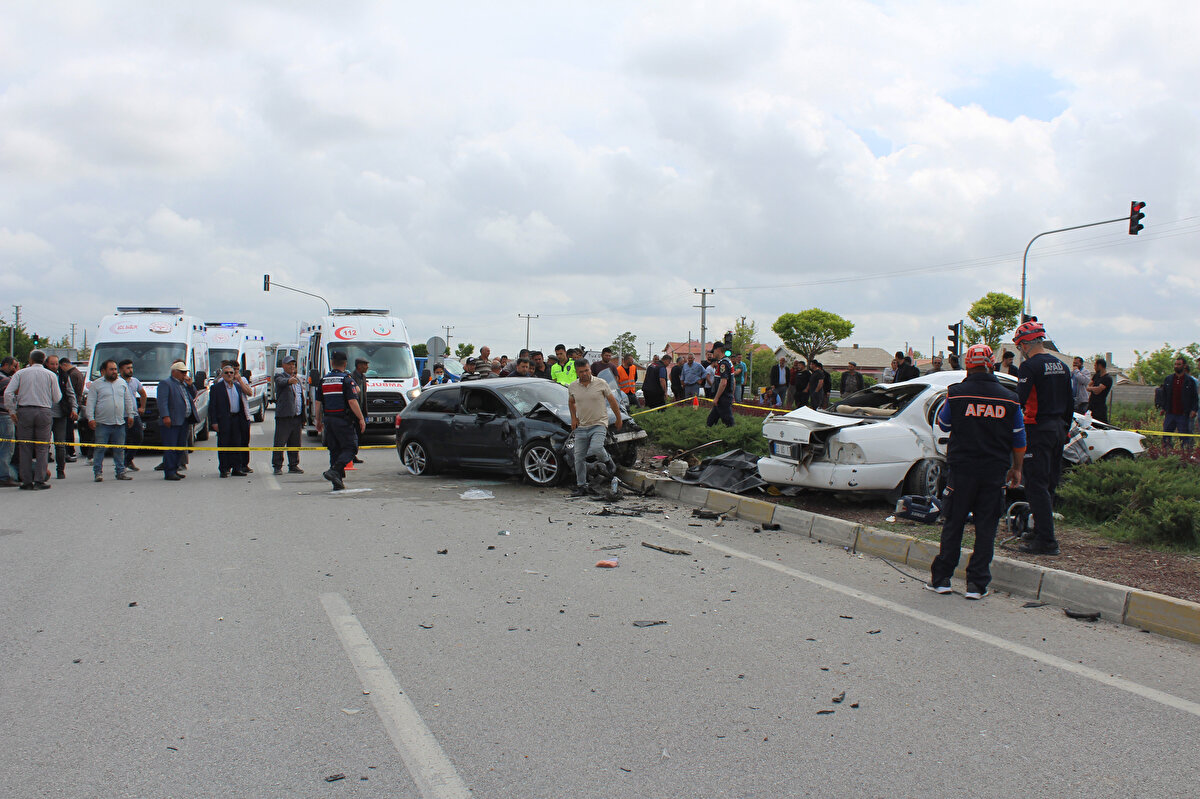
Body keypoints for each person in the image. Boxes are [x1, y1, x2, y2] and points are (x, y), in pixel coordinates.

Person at [926, 344, 1026, 600]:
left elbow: (944, 423)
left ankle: (942, 580)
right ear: (992, 364)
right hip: (994, 472)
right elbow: (1019, 438)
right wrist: (1017, 468)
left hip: (962, 470)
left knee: (954, 523)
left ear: (968, 366)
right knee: (986, 527)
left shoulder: (956, 394)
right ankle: (977, 585)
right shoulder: (1010, 398)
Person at [1013, 320, 1073, 555]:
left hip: (1037, 428)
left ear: (1027, 344)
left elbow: (1020, 399)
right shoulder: (1062, 366)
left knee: (1036, 485)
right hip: (1059, 428)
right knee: (1049, 484)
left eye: (1020, 347)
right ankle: (1040, 529)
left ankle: (1047, 541)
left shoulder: (1030, 367)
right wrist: (1065, 428)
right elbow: (1070, 402)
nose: (1020, 352)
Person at [3, 350, 61, 490]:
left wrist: (11, 410)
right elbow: (57, 397)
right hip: (44, 411)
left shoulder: (21, 373)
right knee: (42, 447)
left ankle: (26, 481)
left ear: (30, 360)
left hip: (25, 411)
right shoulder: (51, 375)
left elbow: (8, 393)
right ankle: (39, 480)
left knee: (25, 446)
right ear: (44, 360)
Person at [567, 359, 622, 497]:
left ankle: (608, 460)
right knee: (578, 457)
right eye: (581, 372)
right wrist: (573, 418)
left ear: (590, 369)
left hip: (599, 424)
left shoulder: (601, 383)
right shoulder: (573, 387)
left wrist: (618, 418)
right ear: (577, 372)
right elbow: (571, 402)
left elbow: (612, 401)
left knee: (596, 448)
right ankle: (581, 486)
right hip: (582, 426)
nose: (585, 374)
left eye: (587, 370)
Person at [315, 351, 365, 491]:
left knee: (335, 449)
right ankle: (335, 471)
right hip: (342, 419)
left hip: (328, 420)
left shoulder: (323, 380)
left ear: (332, 362)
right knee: (351, 447)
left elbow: (318, 403)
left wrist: (318, 421)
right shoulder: (346, 380)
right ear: (345, 363)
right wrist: (361, 418)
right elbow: (352, 401)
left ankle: (337, 481)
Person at [86, 359, 136, 482]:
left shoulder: (122, 383)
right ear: (103, 371)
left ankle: (120, 472)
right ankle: (98, 473)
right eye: (111, 369)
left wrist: (131, 415)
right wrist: (90, 418)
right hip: (102, 423)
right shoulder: (96, 384)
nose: (114, 372)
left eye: (115, 369)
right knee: (100, 449)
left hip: (119, 422)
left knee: (119, 449)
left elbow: (128, 400)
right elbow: (90, 402)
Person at [210, 362, 252, 478]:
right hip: (224, 420)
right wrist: (214, 422)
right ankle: (224, 469)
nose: (229, 375)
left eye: (231, 373)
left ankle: (237, 468)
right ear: (222, 374)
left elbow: (247, 395)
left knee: (237, 444)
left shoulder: (238, 386)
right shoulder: (216, 388)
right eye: (227, 373)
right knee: (224, 444)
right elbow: (212, 406)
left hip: (236, 419)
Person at [156, 361, 197, 481]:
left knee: (180, 447)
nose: (184, 374)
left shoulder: (183, 384)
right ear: (174, 372)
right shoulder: (166, 383)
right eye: (182, 372)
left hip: (183, 420)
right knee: (171, 447)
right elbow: (162, 401)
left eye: (185, 372)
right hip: (172, 421)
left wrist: (190, 385)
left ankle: (175, 468)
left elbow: (192, 395)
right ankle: (169, 471)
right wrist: (165, 416)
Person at [44, 355, 77, 480]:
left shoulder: (63, 376)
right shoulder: (44, 375)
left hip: (61, 414)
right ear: (47, 364)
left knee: (60, 444)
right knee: (44, 444)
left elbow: (70, 393)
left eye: (57, 364)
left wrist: (74, 408)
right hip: (46, 413)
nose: (55, 366)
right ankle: (44, 470)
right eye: (52, 364)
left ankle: (60, 470)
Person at [272, 356, 305, 475]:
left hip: (296, 416)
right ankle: (277, 465)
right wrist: (289, 381)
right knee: (280, 442)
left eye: (293, 364)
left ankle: (293, 464)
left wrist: (303, 417)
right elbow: (281, 382)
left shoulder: (297, 380)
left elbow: (300, 397)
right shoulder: (280, 377)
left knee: (295, 442)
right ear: (284, 366)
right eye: (289, 364)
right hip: (284, 417)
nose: (292, 366)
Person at [1156, 356, 1198, 449]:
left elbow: (1195, 397)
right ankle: (1166, 454)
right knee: (1166, 435)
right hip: (1170, 413)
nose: (1176, 366)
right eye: (1175, 364)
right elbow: (1164, 395)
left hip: (1183, 414)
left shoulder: (1190, 381)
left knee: (1184, 438)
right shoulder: (1168, 379)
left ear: (1184, 366)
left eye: (1179, 364)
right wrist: (1163, 408)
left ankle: (1185, 455)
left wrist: (1194, 410)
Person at [118, 360, 147, 471]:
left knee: (138, 437)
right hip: (121, 415)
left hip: (134, 415)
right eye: (127, 368)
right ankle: (122, 464)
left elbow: (143, 394)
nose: (130, 370)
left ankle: (128, 460)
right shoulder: (117, 382)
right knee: (122, 440)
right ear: (121, 370)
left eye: (131, 367)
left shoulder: (135, 381)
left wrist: (142, 407)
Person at [0, 356, 22, 487]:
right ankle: (4, 476)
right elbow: (17, 389)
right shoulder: (4, 379)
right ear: (6, 365)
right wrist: (17, 373)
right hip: (4, 416)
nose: (14, 369)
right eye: (14, 366)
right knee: (7, 448)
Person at [58, 357, 85, 460]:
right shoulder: (77, 372)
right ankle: (70, 450)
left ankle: (70, 451)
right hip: (76, 403)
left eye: (60, 367)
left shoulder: (72, 375)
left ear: (64, 365)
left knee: (68, 429)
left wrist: (72, 407)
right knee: (69, 429)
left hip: (72, 405)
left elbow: (69, 392)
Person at [706, 349, 735, 428]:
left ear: (718, 350)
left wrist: (716, 398)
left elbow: (723, 382)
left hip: (723, 398)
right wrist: (732, 395)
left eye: (713, 352)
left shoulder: (723, 364)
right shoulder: (728, 361)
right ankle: (708, 434)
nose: (713, 354)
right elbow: (733, 381)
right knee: (710, 421)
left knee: (729, 422)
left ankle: (734, 437)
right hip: (724, 397)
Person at [1086, 358, 1112, 423]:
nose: (1094, 367)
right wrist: (1094, 388)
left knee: (1100, 424)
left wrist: (1092, 388)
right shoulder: (1096, 376)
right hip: (1091, 405)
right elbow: (1088, 386)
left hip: (1100, 408)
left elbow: (1098, 391)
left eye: (1095, 365)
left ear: (1099, 366)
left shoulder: (1107, 378)